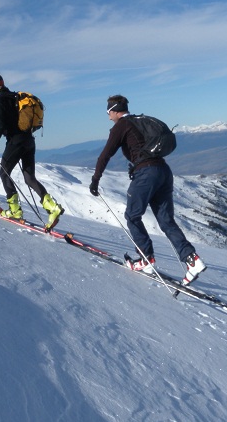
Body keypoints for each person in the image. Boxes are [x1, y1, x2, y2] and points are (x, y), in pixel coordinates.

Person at [89, 94, 207, 285]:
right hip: (163, 171)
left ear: (115, 110)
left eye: (108, 112)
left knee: (132, 216)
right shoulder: (139, 121)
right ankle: (192, 260)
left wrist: (95, 180)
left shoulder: (121, 126)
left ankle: (146, 259)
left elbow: (105, 155)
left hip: (146, 174)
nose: (108, 116)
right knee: (166, 220)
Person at [0, 71, 63, 230]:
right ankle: (53, 208)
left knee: (4, 173)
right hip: (29, 140)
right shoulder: (15, 97)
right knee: (29, 178)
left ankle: (15, 211)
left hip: (15, 142)